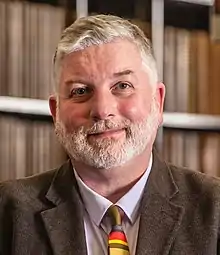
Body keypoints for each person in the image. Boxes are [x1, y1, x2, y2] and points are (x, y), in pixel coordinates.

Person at [0, 14, 220, 255]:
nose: (102, 110)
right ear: (56, 113)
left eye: (122, 86)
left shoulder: (215, 210)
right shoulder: (7, 213)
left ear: (157, 101)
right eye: (80, 91)